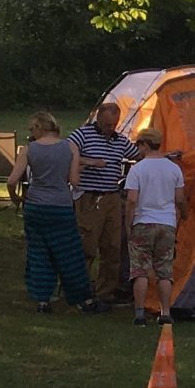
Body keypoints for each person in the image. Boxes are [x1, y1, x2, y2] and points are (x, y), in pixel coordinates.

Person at [4, 111, 98, 312]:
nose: (31, 133)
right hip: (61, 207)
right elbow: (74, 181)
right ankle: (83, 298)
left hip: (36, 207)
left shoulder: (29, 150)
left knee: (39, 253)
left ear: (39, 127)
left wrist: (16, 199)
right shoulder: (71, 147)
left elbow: (12, 180)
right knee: (69, 253)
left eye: (32, 129)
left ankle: (42, 299)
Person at [69, 100, 138, 309]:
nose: (111, 128)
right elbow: (65, 155)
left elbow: (139, 155)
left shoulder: (119, 140)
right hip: (90, 197)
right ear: (98, 118)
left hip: (112, 197)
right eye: (108, 124)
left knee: (113, 246)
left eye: (114, 124)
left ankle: (105, 293)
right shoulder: (82, 135)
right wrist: (89, 162)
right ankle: (79, 290)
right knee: (87, 245)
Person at [124, 126, 185, 326]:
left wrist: (128, 223)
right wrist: (184, 214)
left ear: (145, 144)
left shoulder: (138, 169)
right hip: (167, 223)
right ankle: (165, 312)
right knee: (164, 270)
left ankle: (139, 313)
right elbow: (179, 198)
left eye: (138, 144)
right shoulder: (174, 168)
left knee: (140, 270)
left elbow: (132, 200)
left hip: (143, 222)